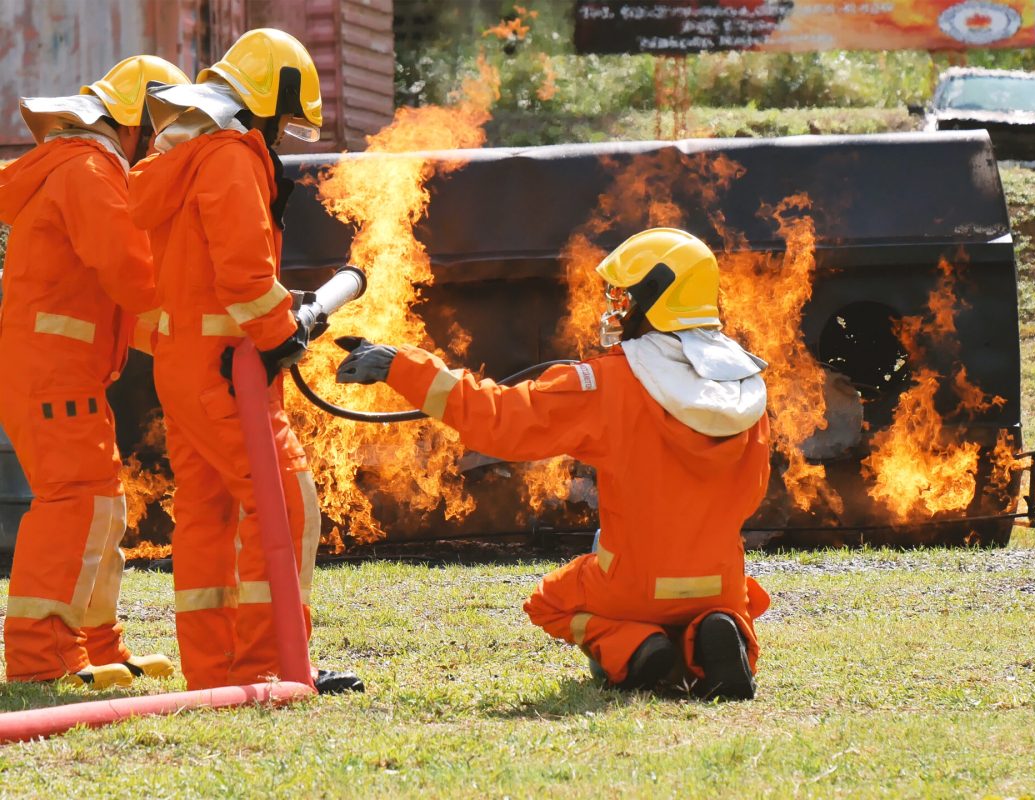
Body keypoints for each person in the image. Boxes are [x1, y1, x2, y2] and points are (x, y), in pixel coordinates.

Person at [337, 228, 772, 699]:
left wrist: (401, 365)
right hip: (719, 579)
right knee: (713, 599)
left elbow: (500, 419)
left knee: (549, 602)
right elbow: (751, 493)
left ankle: (635, 646)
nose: (616, 307)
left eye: (625, 296)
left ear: (654, 299)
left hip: (630, 582)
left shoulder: (609, 382)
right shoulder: (746, 386)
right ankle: (715, 630)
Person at [128, 29, 362, 694]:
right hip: (226, 367)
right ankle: (270, 667)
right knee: (285, 505)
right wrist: (276, 328)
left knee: (207, 516)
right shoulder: (231, 156)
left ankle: (214, 675)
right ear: (265, 102)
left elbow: (203, 269)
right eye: (284, 121)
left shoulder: (187, 156)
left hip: (188, 362)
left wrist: (276, 311)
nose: (281, 137)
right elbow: (240, 269)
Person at [0, 56, 189, 689]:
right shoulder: (90, 170)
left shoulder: (80, 168)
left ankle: (97, 647)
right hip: (55, 376)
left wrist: (190, 339)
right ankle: (40, 658)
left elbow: (110, 303)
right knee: (76, 505)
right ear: (133, 124)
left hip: (62, 374)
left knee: (101, 506)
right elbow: (133, 275)